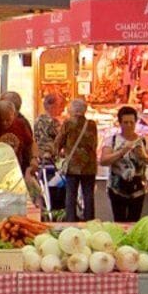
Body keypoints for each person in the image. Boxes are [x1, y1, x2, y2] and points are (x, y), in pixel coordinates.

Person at [50, 90, 99, 223]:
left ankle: (70, 221)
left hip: (73, 165)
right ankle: (89, 221)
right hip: (89, 165)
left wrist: (56, 153)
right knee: (88, 195)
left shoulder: (68, 123)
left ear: (71, 110)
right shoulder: (92, 125)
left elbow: (58, 142)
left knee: (70, 194)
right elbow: (95, 144)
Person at [102, 104, 148, 225]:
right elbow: (103, 160)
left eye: (131, 122)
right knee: (119, 222)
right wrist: (121, 152)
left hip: (138, 189)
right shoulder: (112, 140)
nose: (129, 126)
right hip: (117, 188)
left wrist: (143, 156)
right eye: (125, 122)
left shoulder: (144, 141)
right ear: (120, 123)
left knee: (134, 222)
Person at [0, 90, 39, 197]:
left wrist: (34, 158)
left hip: (18, 170)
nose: (4, 123)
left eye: (8, 120)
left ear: (14, 115)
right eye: (1, 120)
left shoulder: (21, 124)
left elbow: (31, 143)